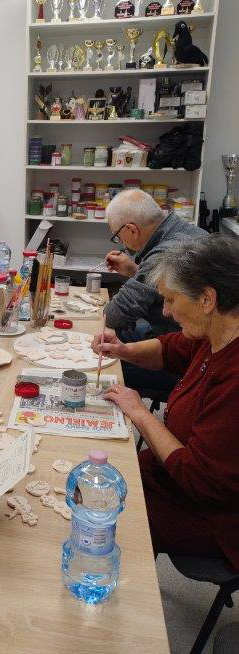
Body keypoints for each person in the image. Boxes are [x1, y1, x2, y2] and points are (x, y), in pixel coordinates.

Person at [92, 236, 239, 571]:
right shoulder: (215, 334)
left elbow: (197, 478)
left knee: (99, 514)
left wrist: (139, 413)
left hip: (213, 515)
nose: (166, 311)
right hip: (171, 476)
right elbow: (172, 349)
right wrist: (124, 350)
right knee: (100, 474)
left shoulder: (233, 377)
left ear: (207, 299)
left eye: (171, 300)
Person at [104, 188, 207, 393]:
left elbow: (115, 314)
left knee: (106, 366)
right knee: (112, 339)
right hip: (189, 343)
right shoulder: (186, 232)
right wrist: (135, 271)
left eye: (118, 237)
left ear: (132, 230)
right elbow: (163, 290)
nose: (121, 243)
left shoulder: (166, 252)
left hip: (186, 357)